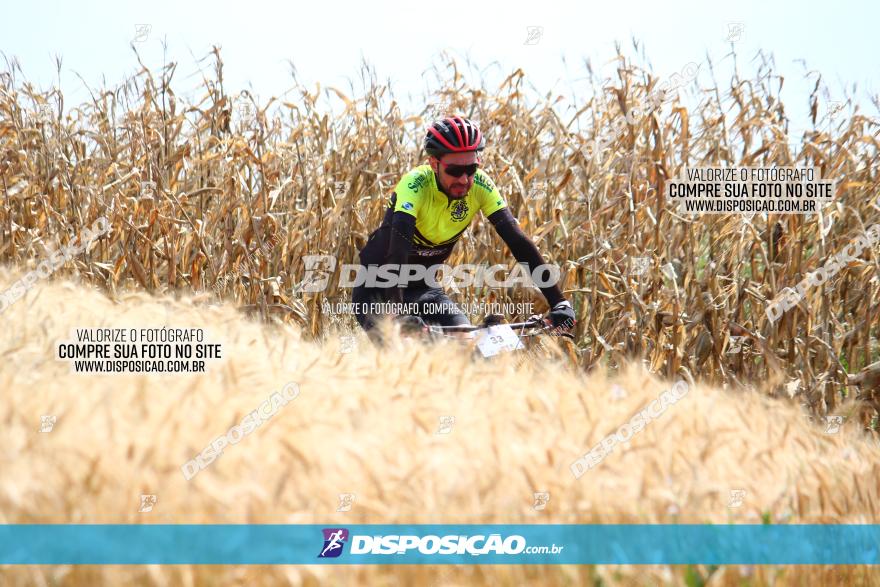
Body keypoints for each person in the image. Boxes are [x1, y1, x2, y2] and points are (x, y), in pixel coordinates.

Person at [351, 115, 575, 340]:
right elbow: (398, 249)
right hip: (378, 289)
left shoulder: (480, 185)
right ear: (433, 164)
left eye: (471, 169)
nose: (464, 179)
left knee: (469, 345)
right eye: (455, 171)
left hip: (424, 288)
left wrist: (559, 302)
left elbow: (518, 243)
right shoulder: (415, 184)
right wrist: (397, 312)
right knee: (403, 354)